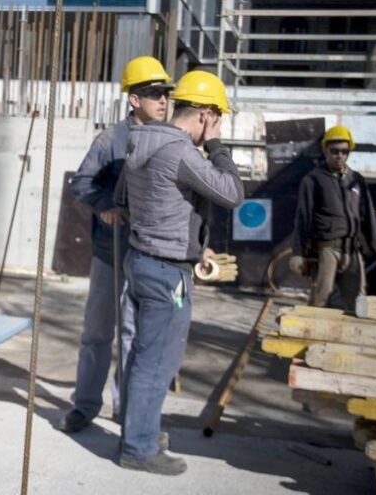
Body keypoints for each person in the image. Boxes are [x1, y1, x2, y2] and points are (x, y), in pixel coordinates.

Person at [116, 70, 243, 475]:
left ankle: (140, 432)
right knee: (157, 363)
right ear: (206, 114)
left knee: (142, 358)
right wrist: (218, 145)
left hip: (141, 260)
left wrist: (192, 243)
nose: (217, 126)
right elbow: (231, 194)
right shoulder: (182, 152)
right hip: (167, 273)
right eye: (217, 119)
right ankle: (138, 448)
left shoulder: (141, 140)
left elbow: (147, 201)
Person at [57, 56, 173, 435]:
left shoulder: (172, 141)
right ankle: (86, 406)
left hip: (149, 256)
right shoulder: (110, 141)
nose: (163, 101)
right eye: (154, 94)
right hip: (111, 252)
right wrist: (105, 205)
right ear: (133, 100)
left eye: (165, 94)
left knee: (135, 335)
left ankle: (129, 412)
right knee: (98, 332)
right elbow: (82, 184)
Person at [289, 125, 376, 312]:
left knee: (359, 302)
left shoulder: (357, 180)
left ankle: (352, 339)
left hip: (353, 250)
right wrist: (298, 252)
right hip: (326, 249)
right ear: (325, 150)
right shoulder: (313, 180)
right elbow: (302, 218)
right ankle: (315, 338)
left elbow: (369, 215)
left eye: (345, 151)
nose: (340, 156)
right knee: (321, 300)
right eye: (335, 151)